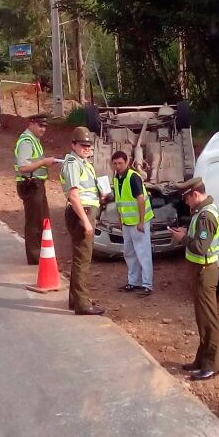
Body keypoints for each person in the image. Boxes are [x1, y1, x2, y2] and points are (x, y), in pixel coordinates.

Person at [169, 177, 219, 381]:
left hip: (204, 269)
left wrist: (182, 238)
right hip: (200, 270)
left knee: (209, 319)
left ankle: (212, 364)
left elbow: (200, 247)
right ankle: (201, 360)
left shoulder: (206, 216)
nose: (185, 203)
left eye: (186, 198)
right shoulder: (201, 212)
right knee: (202, 317)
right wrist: (186, 234)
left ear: (195, 194)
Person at [60, 127, 105, 315]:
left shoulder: (84, 163)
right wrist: (86, 221)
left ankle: (75, 299)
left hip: (86, 210)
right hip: (81, 213)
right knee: (82, 260)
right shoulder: (72, 163)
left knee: (80, 258)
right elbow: (73, 195)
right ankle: (82, 304)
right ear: (73, 145)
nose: (86, 148)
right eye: (82, 145)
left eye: (88, 145)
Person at [15, 114, 59, 265]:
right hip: (30, 184)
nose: (43, 129)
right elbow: (23, 167)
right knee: (34, 222)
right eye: (40, 126)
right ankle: (35, 258)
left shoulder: (34, 140)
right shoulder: (26, 141)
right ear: (31, 123)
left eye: (45, 126)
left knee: (42, 220)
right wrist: (43, 162)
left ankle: (42, 254)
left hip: (36, 184)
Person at [110, 151, 154, 297]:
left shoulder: (133, 177)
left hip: (138, 223)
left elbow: (140, 199)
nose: (117, 166)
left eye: (120, 163)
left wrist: (141, 222)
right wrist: (120, 218)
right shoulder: (117, 177)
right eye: (115, 163)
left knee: (143, 253)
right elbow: (119, 200)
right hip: (127, 222)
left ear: (127, 162)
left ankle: (147, 284)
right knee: (129, 253)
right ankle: (133, 281)